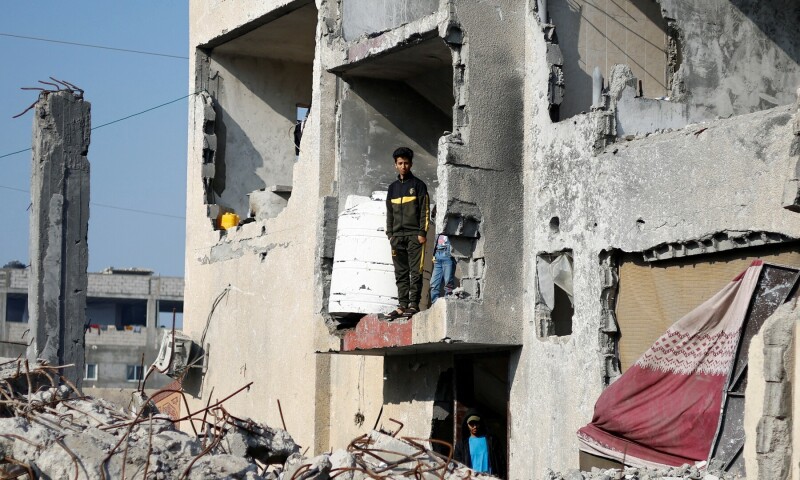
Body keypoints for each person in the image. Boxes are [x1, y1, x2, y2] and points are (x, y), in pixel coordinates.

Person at [381, 147, 429, 320]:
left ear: (411, 164)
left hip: (414, 235)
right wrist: (390, 234)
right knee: (400, 272)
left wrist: (422, 232)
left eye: (406, 163)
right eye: (400, 163)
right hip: (397, 237)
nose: (403, 166)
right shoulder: (392, 188)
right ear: (395, 165)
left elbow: (425, 210)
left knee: (416, 271)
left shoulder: (418, 185)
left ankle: (413, 304)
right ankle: (402, 304)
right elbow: (389, 213)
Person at [454, 410, 505, 478]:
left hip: (489, 478)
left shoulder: (492, 441)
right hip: (471, 478)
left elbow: (501, 462)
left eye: (476, 423)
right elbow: (458, 466)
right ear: (467, 425)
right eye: (472, 424)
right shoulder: (461, 445)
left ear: (480, 423)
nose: (474, 426)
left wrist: (503, 477)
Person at [430, 233, 456, 303]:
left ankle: (448, 306)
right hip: (437, 254)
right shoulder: (439, 224)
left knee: (448, 284)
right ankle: (435, 305)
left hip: (448, 254)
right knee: (434, 284)